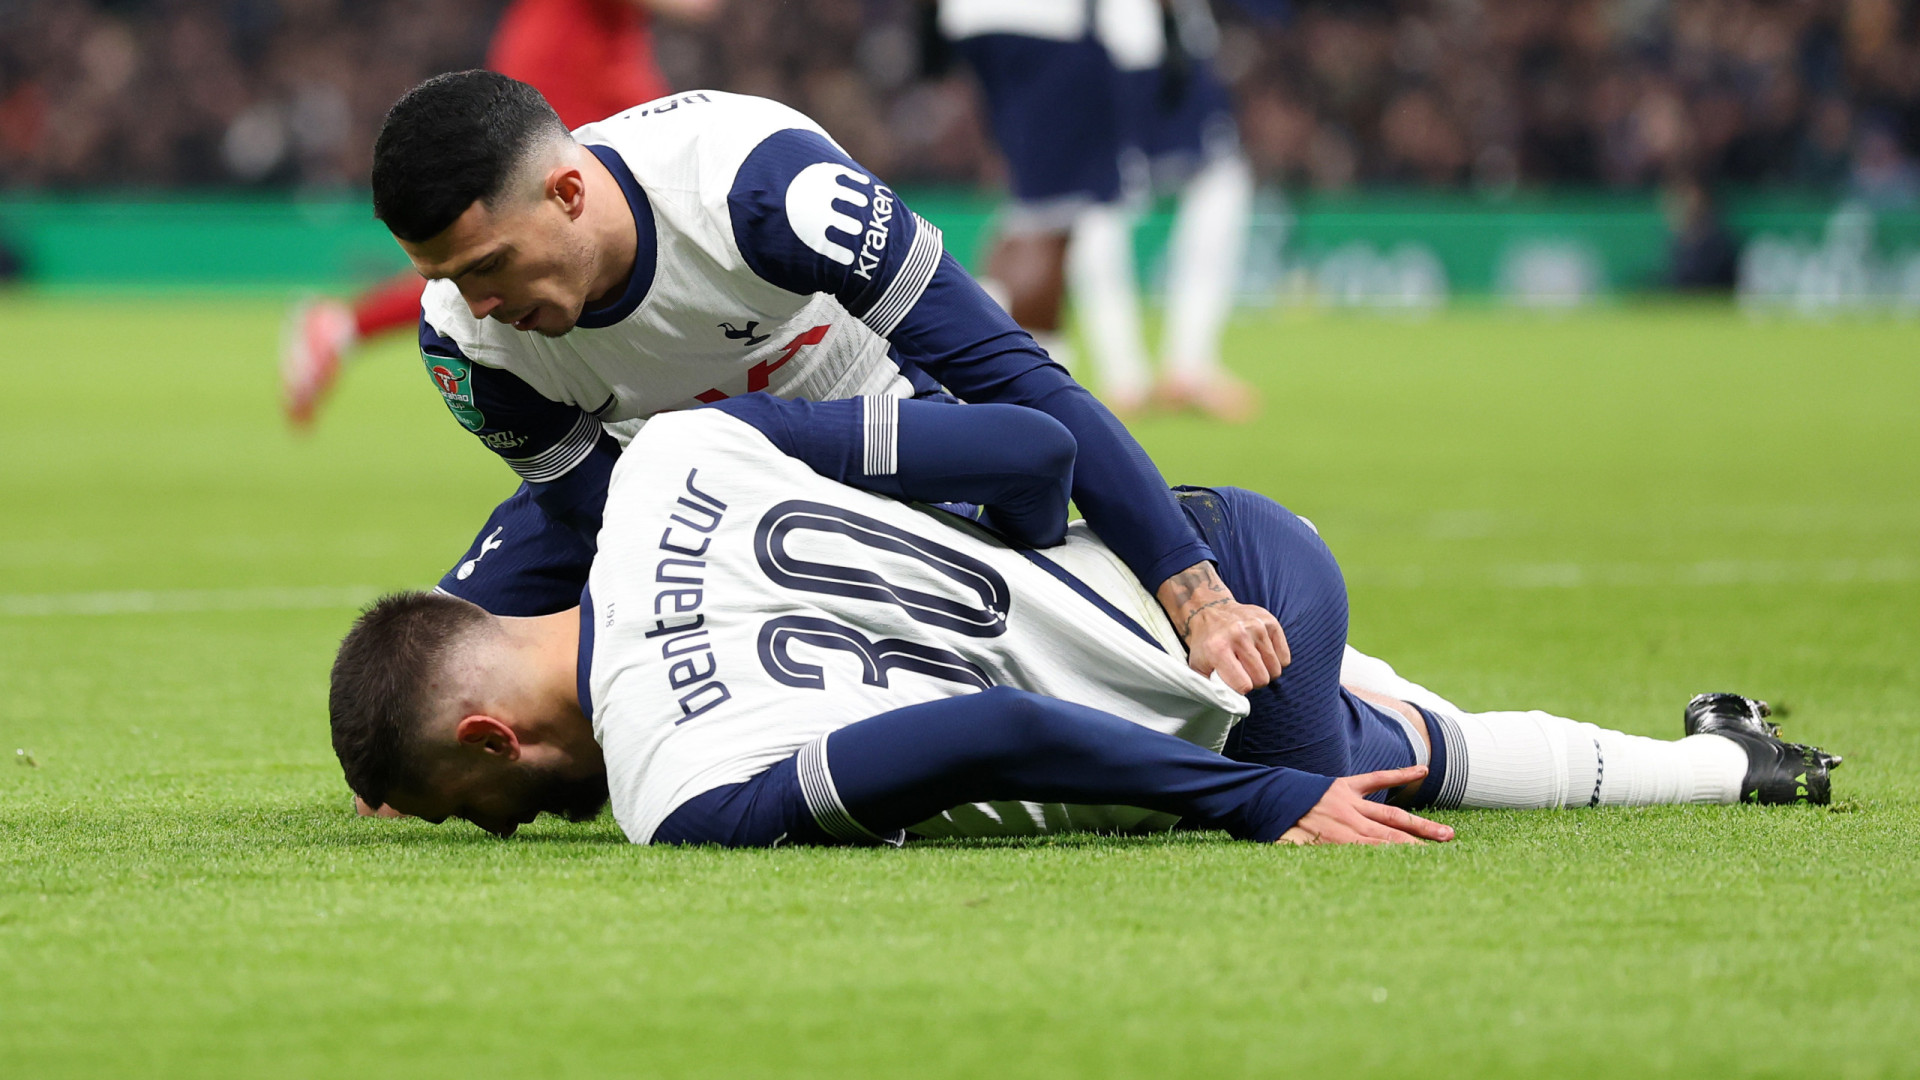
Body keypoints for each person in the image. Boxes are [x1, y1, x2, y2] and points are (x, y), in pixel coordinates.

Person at [325, 393, 1842, 845]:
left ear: (485, 731)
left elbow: (1000, 726)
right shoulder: (673, 449)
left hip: (1210, 675)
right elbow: (1029, 455)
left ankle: (1729, 767)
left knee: (1355, 785)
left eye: (479, 812)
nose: (509, 832)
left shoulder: (680, 795)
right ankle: (1735, 761)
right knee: (1406, 740)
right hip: (1210, 557)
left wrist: (1264, 806)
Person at [358, 70, 1289, 700]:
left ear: (567, 195)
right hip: (659, 483)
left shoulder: (759, 185)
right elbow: (596, 517)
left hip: (874, 432)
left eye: (490, 265)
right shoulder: (463, 339)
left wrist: (1196, 594)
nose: (477, 303)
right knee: (428, 694)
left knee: (1021, 625)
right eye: (446, 277)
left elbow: (1009, 371)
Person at [281, 0, 720, 426]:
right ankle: (343, 325)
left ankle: (342, 326)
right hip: (570, 66)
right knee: (510, 243)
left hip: (595, 62)